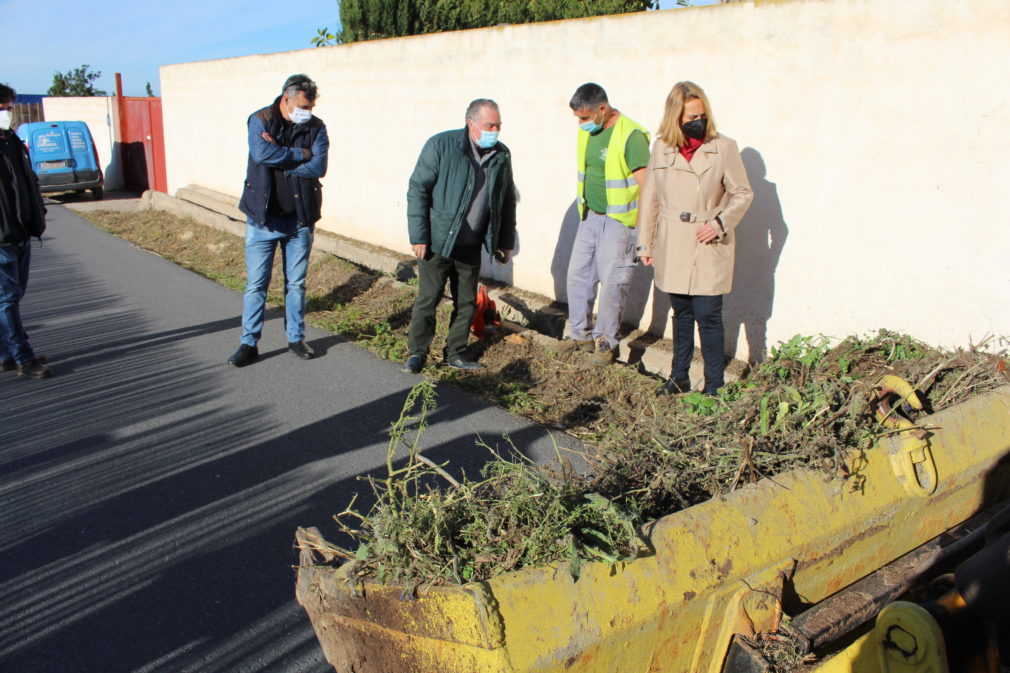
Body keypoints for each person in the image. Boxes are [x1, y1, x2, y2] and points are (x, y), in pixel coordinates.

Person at [637, 81, 753, 396]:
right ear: (676, 117)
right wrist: (645, 244)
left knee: (708, 316)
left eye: (701, 115)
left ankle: (714, 385)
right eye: (690, 118)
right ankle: (679, 377)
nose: (697, 122)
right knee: (682, 314)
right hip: (673, 242)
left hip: (708, 242)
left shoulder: (724, 147)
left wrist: (720, 223)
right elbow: (651, 197)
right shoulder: (662, 148)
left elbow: (742, 193)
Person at [402, 99, 516, 373]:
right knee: (428, 300)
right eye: (490, 125)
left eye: (498, 125)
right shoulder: (442, 145)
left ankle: (455, 352)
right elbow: (418, 189)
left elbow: (506, 201)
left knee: (466, 302)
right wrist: (419, 236)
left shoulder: (501, 155)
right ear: (471, 124)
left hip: (471, 243)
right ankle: (417, 353)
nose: (495, 130)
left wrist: (504, 242)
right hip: (438, 240)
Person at [228, 74, 329, 367]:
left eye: (310, 107)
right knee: (256, 285)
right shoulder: (260, 119)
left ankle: (296, 338)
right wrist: (299, 154)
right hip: (263, 221)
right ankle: (249, 343)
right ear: (286, 99)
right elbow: (261, 153)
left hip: (299, 221)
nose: (306, 113)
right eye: (302, 106)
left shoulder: (317, 127)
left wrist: (281, 159)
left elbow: (319, 166)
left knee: (296, 284)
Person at [551, 83, 650, 366]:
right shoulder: (589, 132)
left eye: (584, 117)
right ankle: (578, 335)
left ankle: (606, 342)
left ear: (602, 109)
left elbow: (649, 187)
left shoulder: (631, 136)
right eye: (578, 119)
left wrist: (644, 232)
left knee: (613, 285)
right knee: (578, 276)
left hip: (619, 222)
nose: (580, 124)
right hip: (590, 216)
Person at [0, 84, 50, 379]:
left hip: (21, 232)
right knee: (7, 298)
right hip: (2, 236)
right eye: (4, 108)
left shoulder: (12, 141)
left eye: (9, 108)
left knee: (13, 297)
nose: (8, 113)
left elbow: (26, 182)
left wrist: (37, 214)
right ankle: (24, 359)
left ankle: (6, 353)